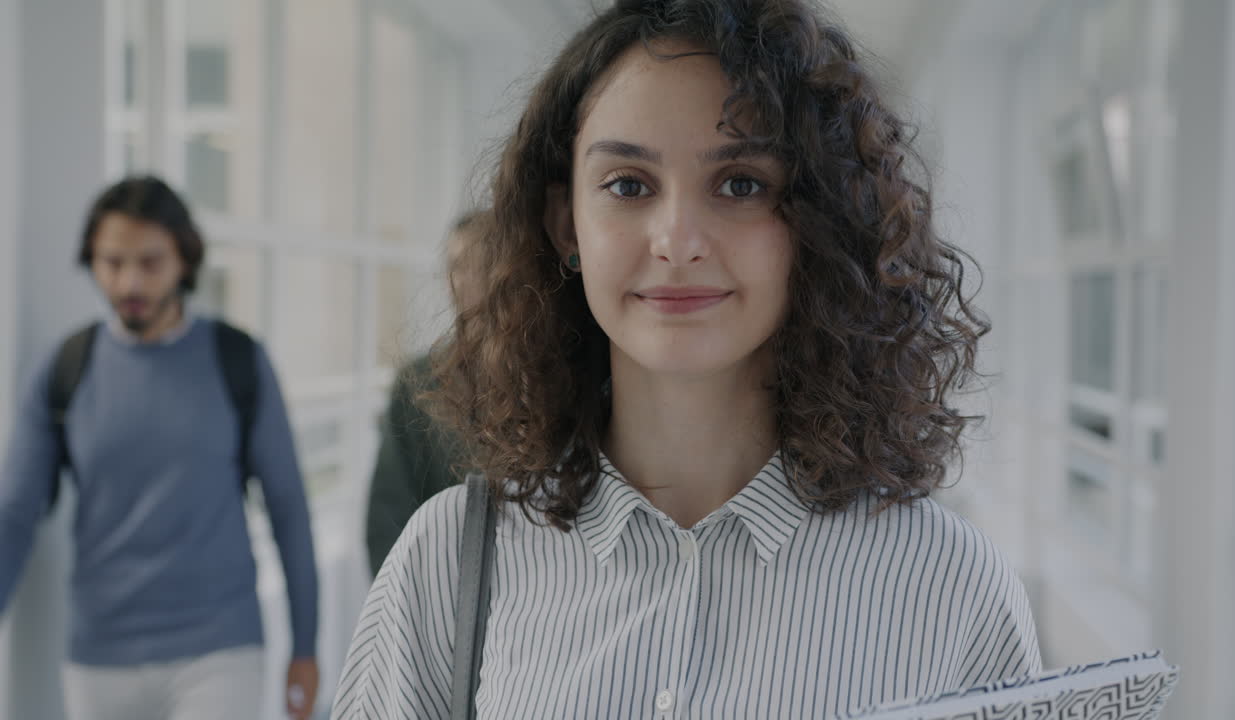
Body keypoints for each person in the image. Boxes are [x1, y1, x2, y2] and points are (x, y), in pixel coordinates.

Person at [333, 0, 1041, 717]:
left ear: (822, 223)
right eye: (629, 186)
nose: (676, 239)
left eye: (740, 184)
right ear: (565, 225)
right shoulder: (449, 559)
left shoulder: (951, 585)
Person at [0, 176, 320, 720]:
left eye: (150, 263)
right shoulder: (65, 370)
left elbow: (288, 505)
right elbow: (13, 513)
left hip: (221, 648)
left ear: (184, 260)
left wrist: (306, 647)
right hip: (98, 656)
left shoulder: (238, 360)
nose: (129, 282)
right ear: (92, 261)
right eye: (112, 262)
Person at [364, 210, 488, 574]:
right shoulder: (419, 381)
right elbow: (387, 510)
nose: (462, 279)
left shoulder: (544, 378)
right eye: (455, 265)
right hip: (435, 587)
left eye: (479, 263)